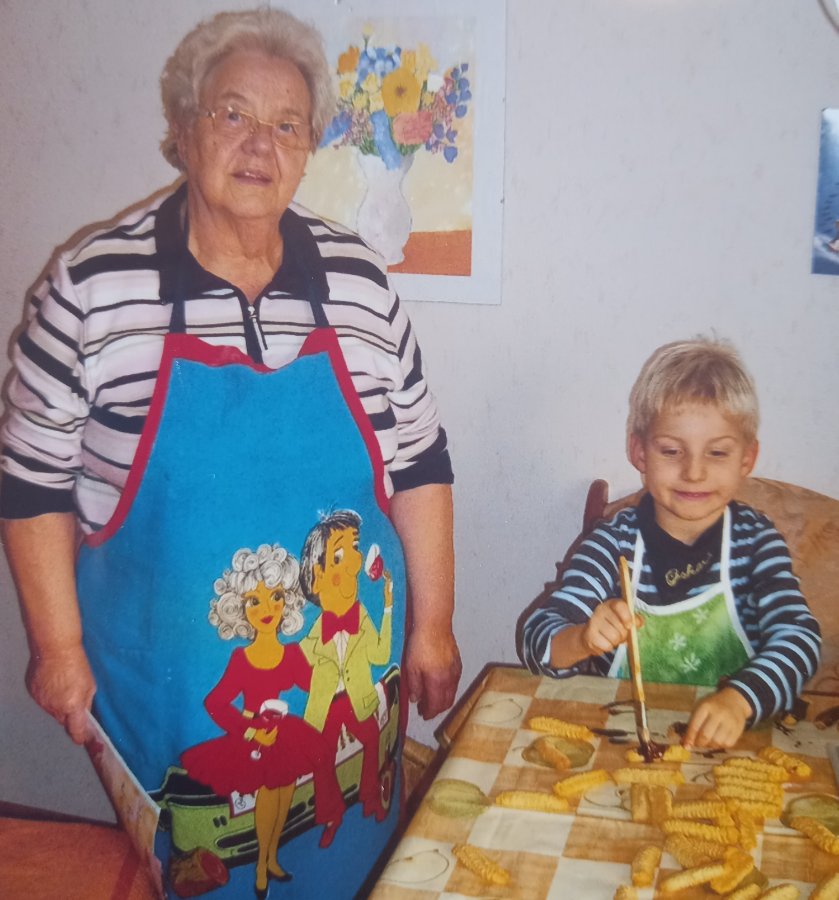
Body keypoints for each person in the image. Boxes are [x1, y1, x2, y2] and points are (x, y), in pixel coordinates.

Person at [0, 7, 460, 897]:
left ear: (310, 147)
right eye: (233, 114)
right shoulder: (93, 285)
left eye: (287, 125)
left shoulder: (360, 281)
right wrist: (57, 647)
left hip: (341, 684)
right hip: (170, 693)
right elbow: (31, 483)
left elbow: (419, 465)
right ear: (183, 131)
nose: (260, 144)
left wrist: (432, 626)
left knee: (351, 859)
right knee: (201, 873)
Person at [520, 338, 821, 750]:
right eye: (672, 450)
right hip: (619, 746)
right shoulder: (612, 544)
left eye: (717, 453)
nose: (693, 472)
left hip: (735, 748)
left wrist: (741, 700)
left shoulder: (756, 544)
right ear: (640, 453)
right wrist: (582, 639)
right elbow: (535, 638)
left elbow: (799, 639)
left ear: (747, 459)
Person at [180, 544, 345, 897]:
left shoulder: (291, 653)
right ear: (238, 609)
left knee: (285, 793)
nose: (267, 609)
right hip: (254, 734)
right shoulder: (241, 659)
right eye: (254, 601)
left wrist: (332, 655)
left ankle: (271, 858)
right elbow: (215, 703)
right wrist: (250, 730)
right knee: (269, 794)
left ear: (288, 601)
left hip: (284, 731)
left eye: (275, 597)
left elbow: (315, 683)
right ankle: (259, 865)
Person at [298, 510, 393, 823]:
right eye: (339, 556)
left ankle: (370, 796)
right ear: (318, 576)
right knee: (320, 759)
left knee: (371, 739)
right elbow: (295, 670)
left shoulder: (361, 617)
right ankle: (330, 814)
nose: (355, 562)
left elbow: (381, 655)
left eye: (355, 549)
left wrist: (388, 607)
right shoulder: (312, 638)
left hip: (356, 699)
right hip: (326, 707)